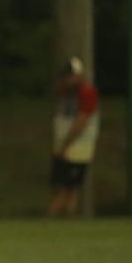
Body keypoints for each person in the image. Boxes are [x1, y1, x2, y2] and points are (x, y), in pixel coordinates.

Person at [49, 56, 99, 217]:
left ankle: (54, 219)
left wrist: (66, 144)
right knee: (62, 186)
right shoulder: (64, 92)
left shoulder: (86, 93)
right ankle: (63, 221)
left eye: (69, 76)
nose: (66, 80)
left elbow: (82, 120)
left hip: (78, 148)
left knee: (67, 189)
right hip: (64, 146)